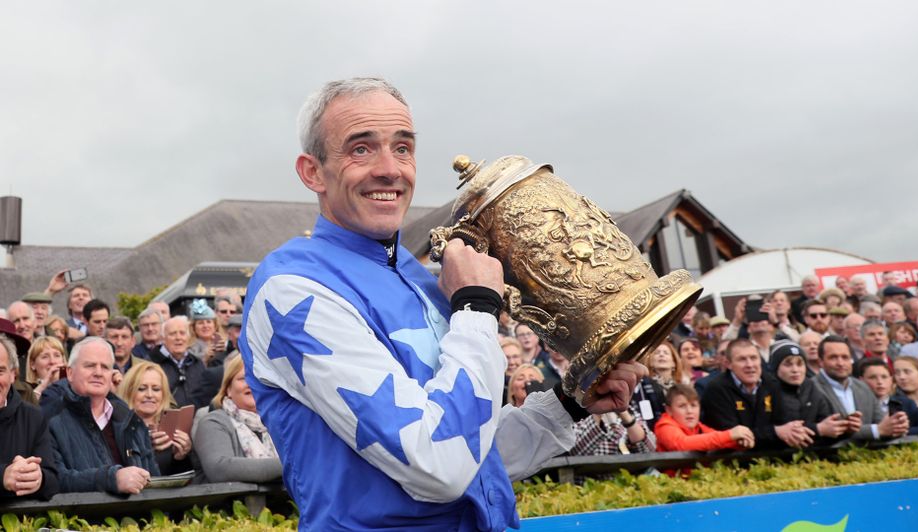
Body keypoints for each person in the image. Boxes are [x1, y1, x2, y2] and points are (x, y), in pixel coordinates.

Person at [240, 77, 640, 531]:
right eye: (361, 149)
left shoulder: (415, 274)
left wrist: (568, 404)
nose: (390, 169)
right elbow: (439, 465)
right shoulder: (293, 288)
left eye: (403, 148)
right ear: (313, 172)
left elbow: (473, 459)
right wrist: (475, 308)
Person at [47, 337, 159, 494]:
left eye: (105, 367)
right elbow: (54, 481)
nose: (98, 373)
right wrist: (111, 479)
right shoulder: (49, 419)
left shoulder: (131, 419)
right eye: (90, 366)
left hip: (140, 517)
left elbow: (154, 481)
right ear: (70, 373)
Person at [700, 339, 815, 449]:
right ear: (728, 364)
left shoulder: (772, 383)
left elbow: (783, 425)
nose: (750, 364)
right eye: (742, 359)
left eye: (754, 358)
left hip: (770, 459)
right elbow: (734, 437)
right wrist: (775, 432)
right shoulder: (716, 389)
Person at [192, 356, 280, 484]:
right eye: (243, 378)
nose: (251, 383)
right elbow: (220, 469)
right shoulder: (212, 422)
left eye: (257, 378)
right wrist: (294, 467)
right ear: (228, 389)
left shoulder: (281, 424)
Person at [812, 336, 908, 441]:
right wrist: (877, 430)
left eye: (845, 357)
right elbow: (833, 432)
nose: (840, 363)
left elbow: (881, 422)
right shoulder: (811, 388)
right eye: (833, 357)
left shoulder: (862, 387)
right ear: (820, 361)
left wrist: (896, 426)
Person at [1, 336, 59, 499]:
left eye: (0, 371)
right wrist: (3, 476)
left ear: (12, 375)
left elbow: (53, 481)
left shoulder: (33, 417)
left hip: (23, 523)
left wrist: (38, 478)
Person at [118, 361, 194, 476]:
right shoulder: (116, 427)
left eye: (156, 389)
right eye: (142, 389)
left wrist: (181, 457)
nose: (149, 395)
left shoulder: (174, 426)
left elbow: (184, 480)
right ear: (129, 392)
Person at [768, 340, 847, 442]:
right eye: (788, 364)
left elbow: (827, 426)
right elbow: (770, 431)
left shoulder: (811, 388)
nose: (795, 370)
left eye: (800, 364)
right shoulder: (766, 391)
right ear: (775, 368)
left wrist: (845, 428)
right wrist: (818, 429)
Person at [654, 383, 753, 455]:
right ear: (669, 410)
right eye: (682, 406)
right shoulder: (664, 426)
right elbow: (682, 444)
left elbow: (720, 441)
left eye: (693, 405)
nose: (689, 411)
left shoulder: (699, 427)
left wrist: (739, 442)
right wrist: (730, 435)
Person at [856, 358, 918, 437]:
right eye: (872, 377)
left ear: (891, 379)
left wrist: (902, 432)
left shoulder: (905, 403)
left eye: (884, 377)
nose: (880, 382)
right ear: (861, 380)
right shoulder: (855, 403)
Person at [149, 316, 208, 408]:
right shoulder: (151, 364)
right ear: (163, 338)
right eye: (172, 334)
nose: (178, 338)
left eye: (182, 333)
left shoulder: (197, 363)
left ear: (188, 337)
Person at [24, 337, 67, 403]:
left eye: (57, 355)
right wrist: (44, 384)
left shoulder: (73, 387)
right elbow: (26, 410)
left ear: (63, 361)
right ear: (32, 364)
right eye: (45, 357)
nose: (52, 361)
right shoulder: (25, 391)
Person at [188, 299, 227, 367]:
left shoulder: (224, 343)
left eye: (209, 322)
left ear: (215, 326)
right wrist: (205, 357)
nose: (205, 326)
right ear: (193, 328)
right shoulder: (189, 348)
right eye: (200, 323)